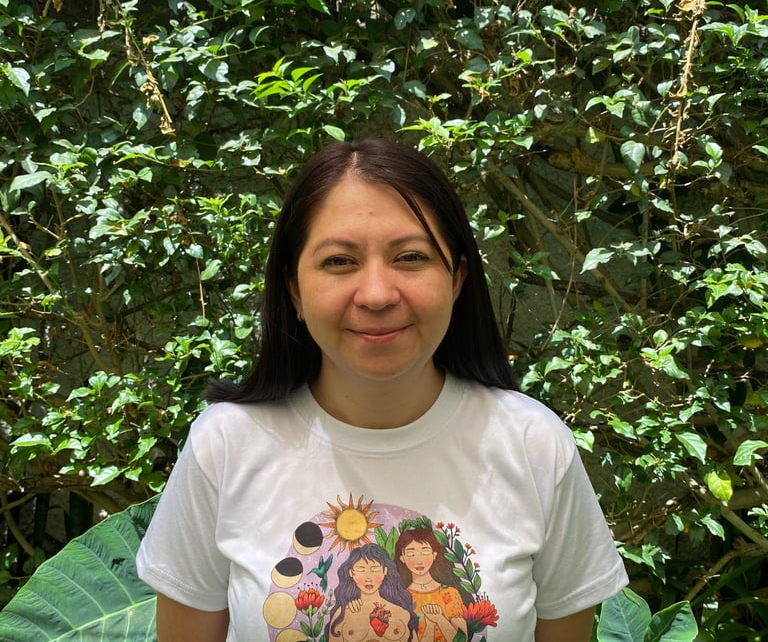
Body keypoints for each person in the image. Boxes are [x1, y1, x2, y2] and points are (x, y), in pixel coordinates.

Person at [136, 137, 628, 642]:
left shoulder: (532, 445)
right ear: (293, 288)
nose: (376, 295)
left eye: (411, 257)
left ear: (457, 278)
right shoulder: (226, 446)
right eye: (338, 261)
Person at [325, 544, 419, 642]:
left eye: (374, 569)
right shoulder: (342, 614)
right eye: (361, 570)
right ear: (351, 573)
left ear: (385, 571)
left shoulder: (401, 613)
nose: (368, 577)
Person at [394, 527, 469, 642]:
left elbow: (463, 639)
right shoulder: (401, 598)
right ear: (402, 558)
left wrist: (439, 619)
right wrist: (430, 626)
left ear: (434, 555)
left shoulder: (450, 593)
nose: (419, 560)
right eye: (411, 553)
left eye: (425, 552)